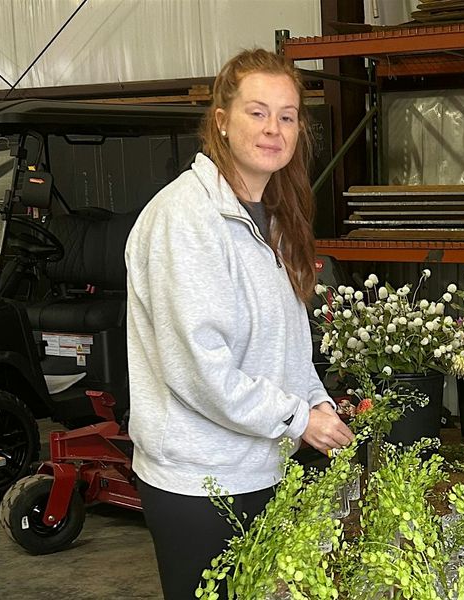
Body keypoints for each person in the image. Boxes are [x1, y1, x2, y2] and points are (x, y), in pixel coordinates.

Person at [125, 49, 353, 600]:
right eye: (257, 112)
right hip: (200, 481)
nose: (273, 128)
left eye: (287, 116)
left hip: (260, 468)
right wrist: (298, 419)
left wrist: (317, 402)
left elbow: (288, 347)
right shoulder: (186, 219)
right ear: (222, 121)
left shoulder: (271, 219)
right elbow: (200, 369)